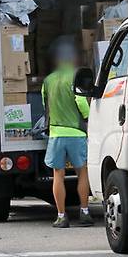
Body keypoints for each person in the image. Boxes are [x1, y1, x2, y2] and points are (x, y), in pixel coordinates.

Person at [42, 39, 93, 228]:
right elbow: (80, 102)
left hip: (56, 134)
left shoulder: (48, 81)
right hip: (77, 133)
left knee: (58, 174)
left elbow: (44, 105)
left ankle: (62, 216)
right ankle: (85, 212)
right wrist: (89, 118)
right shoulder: (76, 76)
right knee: (82, 172)